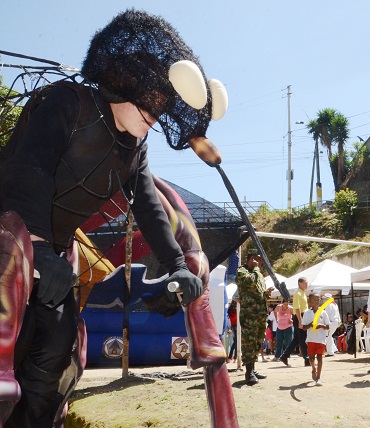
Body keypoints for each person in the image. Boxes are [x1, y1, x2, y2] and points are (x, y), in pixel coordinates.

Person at [0, 10, 227, 426]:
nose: (156, 113)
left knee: (55, 352)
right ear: (127, 84)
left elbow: (149, 205)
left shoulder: (135, 150)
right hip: (10, 247)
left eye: (163, 106)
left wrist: (177, 265)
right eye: (153, 99)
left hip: (52, 260)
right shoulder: (68, 104)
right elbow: (26, 170)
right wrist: (34, 244)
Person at [235, 249, 274, 385]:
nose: (260, 263)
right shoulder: (242, 271)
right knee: (248, 343)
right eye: (258, 259)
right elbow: (249, 282)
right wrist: (256, 270)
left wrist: (266, 293)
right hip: (249, 315)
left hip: (260, 314)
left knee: (257, 342)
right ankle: (248, 372)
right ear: (252, 259)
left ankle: (253, 369)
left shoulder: (259, 275)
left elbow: (258, 292)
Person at [280, 277, 310, 367]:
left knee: (297, 338)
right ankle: (306, 358)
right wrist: (300, 321)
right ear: (300, 283)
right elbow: (297, 308)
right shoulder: (298, 294)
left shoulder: (303, 293)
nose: (307, 284)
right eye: (305, 283)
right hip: (299, 316)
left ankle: (284, 356)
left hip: (303, 316)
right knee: (303, 338)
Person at [302, 293, 330, 386]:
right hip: (311, 339)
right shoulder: (307, 313)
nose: (317, 302)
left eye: (318, 300)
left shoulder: (323, 312)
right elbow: (304, 327)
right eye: (314, 300)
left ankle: (318, 377)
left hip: (321, 339)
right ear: (310, 301)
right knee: (311, 358)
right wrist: (311, 325)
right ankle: (313, 368)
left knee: (319, 357)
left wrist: (321, 325)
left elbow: (328, 326)